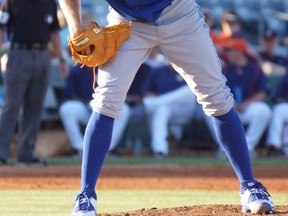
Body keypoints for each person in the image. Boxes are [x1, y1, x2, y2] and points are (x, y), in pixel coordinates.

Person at [58, 0, 275, 215]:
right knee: (106, 101)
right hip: (127, 20)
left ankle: (249, 186)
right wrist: (76, 27)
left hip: (180, 14)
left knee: (217, 97)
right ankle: (86, 195)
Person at [0, 0, 68, 166]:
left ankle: (26, 154)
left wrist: (61, 60)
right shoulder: (12, 2)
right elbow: (1, 28)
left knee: (35, 106)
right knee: (11, 106)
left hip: (43, 54)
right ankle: (1, 153)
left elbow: (54, 33)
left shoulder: (49, 3)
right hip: (18, 53)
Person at [222, 38, 271, 156]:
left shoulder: (254, 69)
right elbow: (219, 89)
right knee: (209, 110)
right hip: (229, 108)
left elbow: (263, 92)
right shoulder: (225, 68)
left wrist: (247, 103)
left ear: (239, 52)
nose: (228, 54)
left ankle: (248, 147)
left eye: (231, 51)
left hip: (248, 107)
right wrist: (231, 102)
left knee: (264, 110)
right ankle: (225, 148)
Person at [141, 64, 197, 156]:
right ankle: (160, 150)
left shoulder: (191, 70)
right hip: (167, 109)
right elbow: (147, 94)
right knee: (161, 109)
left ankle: (153, 103)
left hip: (185, 109)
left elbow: (197, 97)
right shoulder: (158, 71)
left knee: (189, 90)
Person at [266, 71, 288, 157]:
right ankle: (274, 145)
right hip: (286, 106)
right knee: (278, 110)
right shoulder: (285, 78)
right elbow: (276, 98)